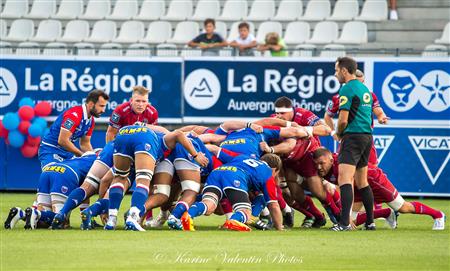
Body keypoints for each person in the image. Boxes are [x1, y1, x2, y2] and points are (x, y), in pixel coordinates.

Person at [104, 124, 209, 231]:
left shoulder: (159, 136)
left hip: (123, 132)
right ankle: (133, 217)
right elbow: (178, 134)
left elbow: (106, 179)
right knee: (143, 179)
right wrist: (196, 155)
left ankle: (111, 220)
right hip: (143, 138)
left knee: (120, 177)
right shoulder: (164, 140)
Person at [313, 147, 446, 230]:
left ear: (331, 159)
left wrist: (345, 215)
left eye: (322, 163)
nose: (319, 167)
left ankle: (438, 215)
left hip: (374, 180)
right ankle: (386, 213)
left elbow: (348, 189)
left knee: (403, 208)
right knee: (351, 223)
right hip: (358, 186)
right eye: (317, 164)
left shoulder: (340, 165)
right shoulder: (325, 167)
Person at [184, 152, 284, 231]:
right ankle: (233, 221)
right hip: (235, 176)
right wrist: (279, 228)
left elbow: (219, 152)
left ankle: (188, 215)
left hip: (217, 172)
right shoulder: (267, 173)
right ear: (274, 170)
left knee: (209, 205)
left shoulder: (244, 157)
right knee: (245, 212)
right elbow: (273, 205)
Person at [333, 56, 375, 231]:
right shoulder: (364, 89)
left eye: (336, 71)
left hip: (353, 136)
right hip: (367, 136)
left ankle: (343, 224)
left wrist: (339, 133)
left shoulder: (347, 89)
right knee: (362, 181)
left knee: (344, 178)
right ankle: (370, 222)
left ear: (344, 70)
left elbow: (343, 120)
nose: (335, 75)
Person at [5, 153, 98, 230]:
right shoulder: (102, 162)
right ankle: (37, 213)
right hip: (65, 174)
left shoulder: (84, 157)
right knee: (61, 221)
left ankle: (21, 213)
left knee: (44, 223)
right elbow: (86, 190)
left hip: (48, 170)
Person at [324, 69, 389, 165]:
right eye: (357, 83)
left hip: (365, 137)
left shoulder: (369, 95)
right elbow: (327, 116)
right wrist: (334, 132)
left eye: (362, 83)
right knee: (343, 171)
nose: (360, 86)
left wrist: (381, 117)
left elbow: (378, 111)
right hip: (348, 138)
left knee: (372, 170)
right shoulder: (340, 97)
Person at [38, 89, 109, 169]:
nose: (103, 110)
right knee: (55, 176)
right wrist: (82, 155)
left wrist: (92, 158)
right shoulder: (74, 115)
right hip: (50, 150)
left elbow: (85, 144)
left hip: (67, 153)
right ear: (91, 104)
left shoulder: (91, 121)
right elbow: (62, 141)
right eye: (101, 106)